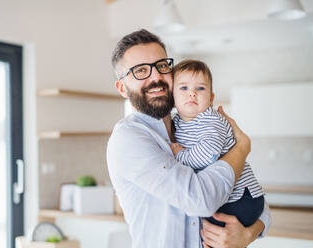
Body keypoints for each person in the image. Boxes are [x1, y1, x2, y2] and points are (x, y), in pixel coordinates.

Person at [106, 29, 271, 248]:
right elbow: (200, 200)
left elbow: (247, 188)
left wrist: (251, 232)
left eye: (162, 66)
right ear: (122, 88)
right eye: (141, 71)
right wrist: (241, 148)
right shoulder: (128, 139)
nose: (155, 77)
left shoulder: (191, 124)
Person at [170, 59, 265, 228]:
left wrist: (180, 155)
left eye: (200, 88)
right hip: (225, 197)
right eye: (184, 88)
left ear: (211, 98)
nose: (192, 93)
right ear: (172, 96)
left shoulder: (211, 120)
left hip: (242, 198)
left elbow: (209, 154)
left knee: (206, 231)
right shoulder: (177, 122)